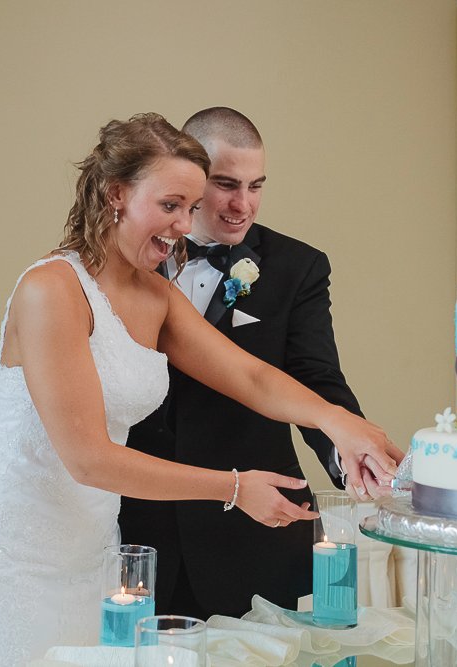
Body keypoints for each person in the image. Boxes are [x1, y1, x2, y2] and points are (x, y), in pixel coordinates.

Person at [0, 113, 402, 666]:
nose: (183, 225)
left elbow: (251, 376)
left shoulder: (155, 296)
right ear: (115, 194)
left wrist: (340, 423)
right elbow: (89, 460)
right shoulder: (51, 289)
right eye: (171, 205)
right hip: (10, 549)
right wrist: (234, 487)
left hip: (93, 552)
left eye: (190, 208)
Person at [118, 107, 372, 619]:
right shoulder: (125, 263)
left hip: (256, 530)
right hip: (136, 526)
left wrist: (349, 455)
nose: (243, 204)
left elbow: (315, 378)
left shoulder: (298, 267)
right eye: (226, 185)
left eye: (256, 186)